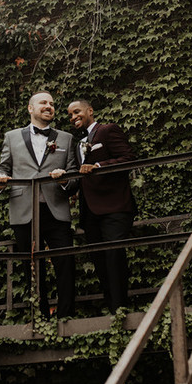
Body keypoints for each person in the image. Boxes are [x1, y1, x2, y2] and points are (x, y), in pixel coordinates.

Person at [0, 91, 77, 318]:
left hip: (56, 209)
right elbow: (4, 167)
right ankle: (40, 317)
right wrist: (0, 179)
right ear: (30, 109)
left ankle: (65, 317)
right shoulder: (11, 137)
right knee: (31, 266)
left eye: (51, 104)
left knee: (65, 263)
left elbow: (73, 177)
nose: (48, 106)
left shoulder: (66, 138)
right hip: (24, 209)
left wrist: (65, 179)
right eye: (43, 103)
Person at [67, 98, 137, 313]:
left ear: (90, 110)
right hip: (90, 212)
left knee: (114, 256)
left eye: (77, 111)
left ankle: (120, 309)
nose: (73, 117)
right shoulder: (77, 142)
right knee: (99, 260)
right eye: (70, 115)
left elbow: (128, 158)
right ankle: (112, 306)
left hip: (114, 207)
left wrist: (98, 165)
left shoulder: (107, 130)